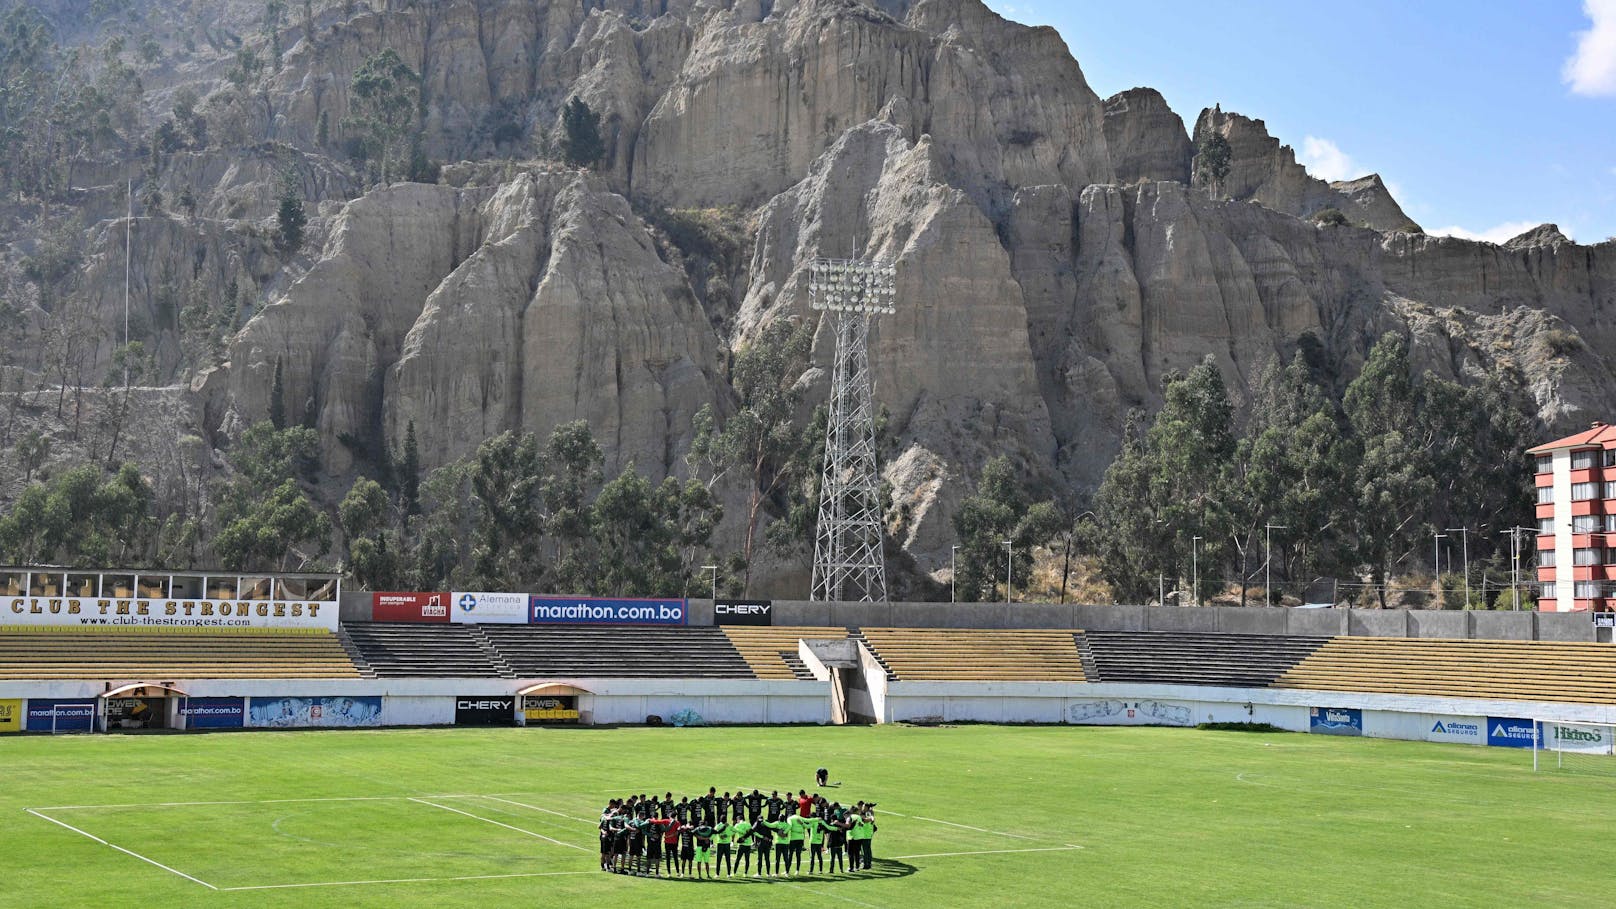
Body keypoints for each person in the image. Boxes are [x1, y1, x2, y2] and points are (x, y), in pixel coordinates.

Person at [826, 803, 848, 873]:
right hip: (839, 845)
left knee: (832, 858)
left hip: (833, 845)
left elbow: (829, 836)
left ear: (832, 819)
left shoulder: (830, 826)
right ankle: (841, 870)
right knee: (840, 858)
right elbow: (842, 835)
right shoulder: (840, 827)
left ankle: (831, 870)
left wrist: (828, 846)